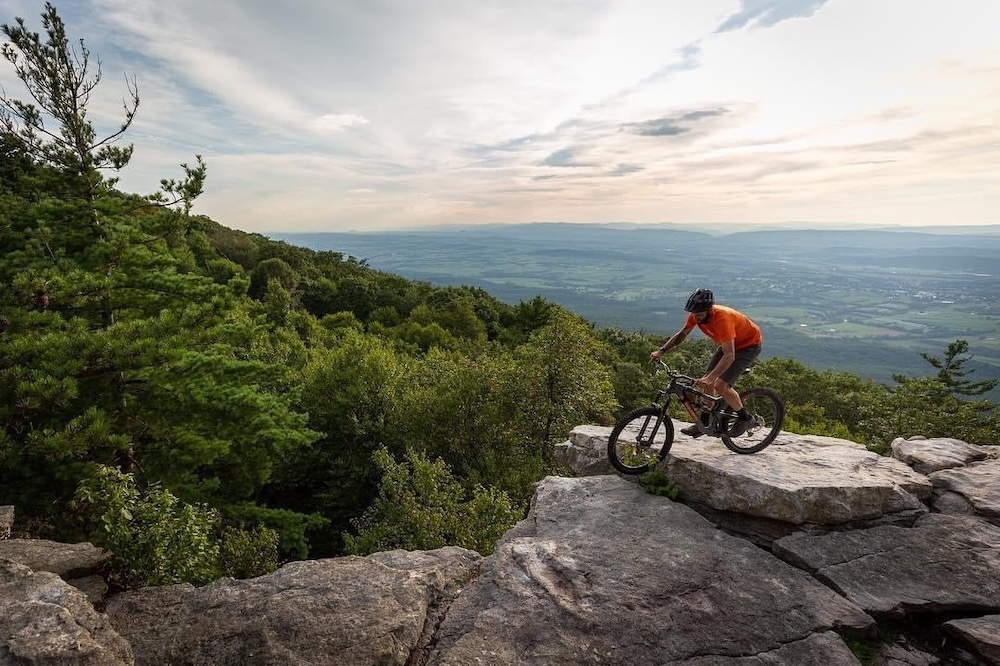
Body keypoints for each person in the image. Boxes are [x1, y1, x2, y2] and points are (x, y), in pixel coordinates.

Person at [649, 288, 762, 437]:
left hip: (748, 346)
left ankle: (745, 419)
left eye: (699, 314)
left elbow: (729, 355)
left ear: (709, 310)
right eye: (694, 314)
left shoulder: (722, 319)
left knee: (719, 384)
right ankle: (703, 423)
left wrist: (711, 378)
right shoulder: (696, 314)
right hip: (728, 344)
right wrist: (661, 350)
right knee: (707, 381)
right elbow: (682, 334)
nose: (696, 317)